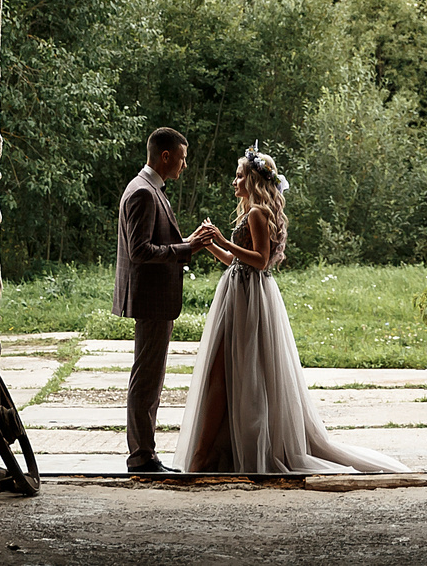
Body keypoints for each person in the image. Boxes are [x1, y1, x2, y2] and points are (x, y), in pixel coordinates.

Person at [179, 146, 410, 474]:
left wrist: (224, 240)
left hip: (250, 297)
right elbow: (236, 261)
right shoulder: (249, 213)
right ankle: (210, 451)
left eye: (240, 176)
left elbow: (260, 260)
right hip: (239, 291)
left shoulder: (257, 213)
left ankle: (210, 455)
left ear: (254, 180)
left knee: (235, 370)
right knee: (226, 369)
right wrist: (212, 245)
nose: (234, 181)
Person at [114, 127, 219, 474]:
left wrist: (189, 242)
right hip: (151, 301)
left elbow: (156, 243)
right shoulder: (144, 193)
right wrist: (186, 248)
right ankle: (141, 458)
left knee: (149, 379)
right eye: (182, 158)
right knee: (146, 381)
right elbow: (140, 251)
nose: (184, 165)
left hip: (154, 300)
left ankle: (144, 454)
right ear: (166, 156)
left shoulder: (148, 188)